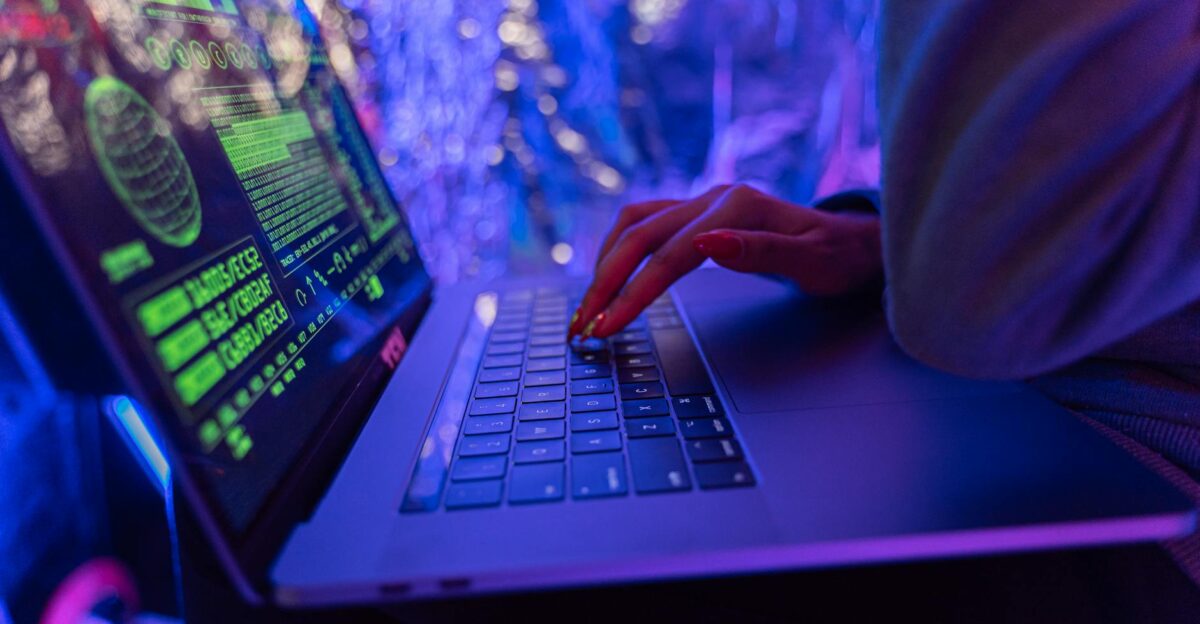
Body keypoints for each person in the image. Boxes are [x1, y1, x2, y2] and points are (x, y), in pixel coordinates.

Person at [569, 0, 1200, 595]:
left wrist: (961, 263)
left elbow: (978, 311)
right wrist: (887, 244)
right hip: (1034, 400)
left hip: (1151, 481)